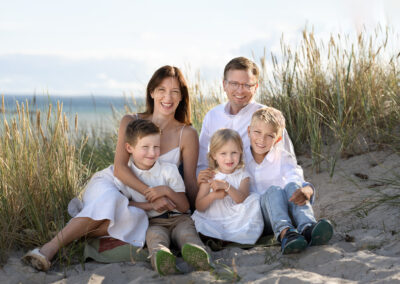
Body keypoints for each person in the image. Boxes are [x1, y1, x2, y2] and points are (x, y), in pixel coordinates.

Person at [22, 65, 199, 271]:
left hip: (139, 204)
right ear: (151, 92)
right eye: (161, 90)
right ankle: (49, 248)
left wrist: (198, 215)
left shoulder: (187, 134)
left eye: (175, 91)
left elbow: (189, 181)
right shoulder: (131, 121)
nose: (167, 97)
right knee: (113, 200)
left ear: (181, 97)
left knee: (137, 219)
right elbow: (120, 169)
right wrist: (152, 195)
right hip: (113, 184)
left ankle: (79, 227)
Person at [116, 119, 211, 276]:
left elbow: (184, 206)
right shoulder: (126, 178)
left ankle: (199, 257)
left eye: (156, 147)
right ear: (129, 148)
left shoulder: (168, 170)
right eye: (145, 147)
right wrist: (150, 206)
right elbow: (125, 205)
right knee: (155, 240)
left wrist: (166, 190)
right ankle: (164, 261)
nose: (152, 153)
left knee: (187, 235)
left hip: (179, 218)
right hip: (153, 223)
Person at [245, 107, 333, 254]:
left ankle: (308, 228)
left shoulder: (283, 157)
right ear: (248, 131)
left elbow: (295, 177)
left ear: (278, 139)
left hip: (288, 211)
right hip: (262, 218)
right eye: (257, 132)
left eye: (269, 136)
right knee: (274, 191)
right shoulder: (242, 160)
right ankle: (286, 235)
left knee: (292, 185)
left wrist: (306, 189)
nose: (261, 139)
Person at [197, 56, 295, 183]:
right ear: (224, 84)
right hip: (223, 193)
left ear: (256, 87)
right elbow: (203, 161)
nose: (240, 90)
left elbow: (289, 163)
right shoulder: (212, 116)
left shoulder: (268, 117)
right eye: (234, 84)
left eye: (247, 85)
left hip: (262, 191)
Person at [191, 129, 263, 244]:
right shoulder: (210, 176)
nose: (229, 158)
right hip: (214, 216)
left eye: (234, 153)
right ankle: (214, 236)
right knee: (204, 224)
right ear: (214, 155)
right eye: (223, 153)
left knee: (255, 199)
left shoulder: (243, 175)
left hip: (235, 216)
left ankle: (233, 237)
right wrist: (213, 196)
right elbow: (199, 206)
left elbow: (241, 199)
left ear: (240, 152)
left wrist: (226, 186)